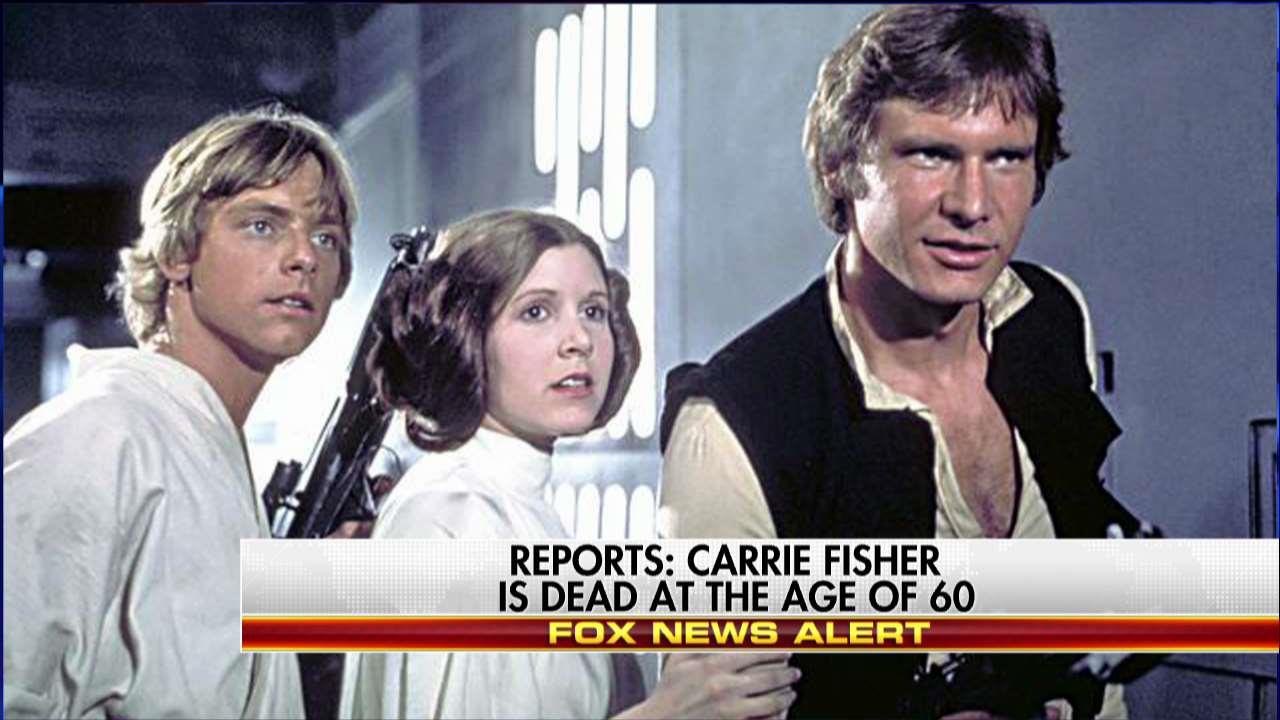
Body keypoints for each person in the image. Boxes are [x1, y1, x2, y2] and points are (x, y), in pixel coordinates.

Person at [659, 5, 1141, 719]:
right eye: (931, 154)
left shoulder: (1049, 316)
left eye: (1006, 158)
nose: (973, 204)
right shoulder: (736, 427)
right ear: (841, 166)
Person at [340, 209, 799, 720]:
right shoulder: (455, 514)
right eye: (536, 312)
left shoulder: (513, 508)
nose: (579, 339)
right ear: (464, 335)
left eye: (594, 311)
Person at [3, 103, 359, 719]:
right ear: (177, 252)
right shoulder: (101, 436)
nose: (304, 256)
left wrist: (380, 561)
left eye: (326, 236)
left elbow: (204, 627)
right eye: (262, 225)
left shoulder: (206, 448)